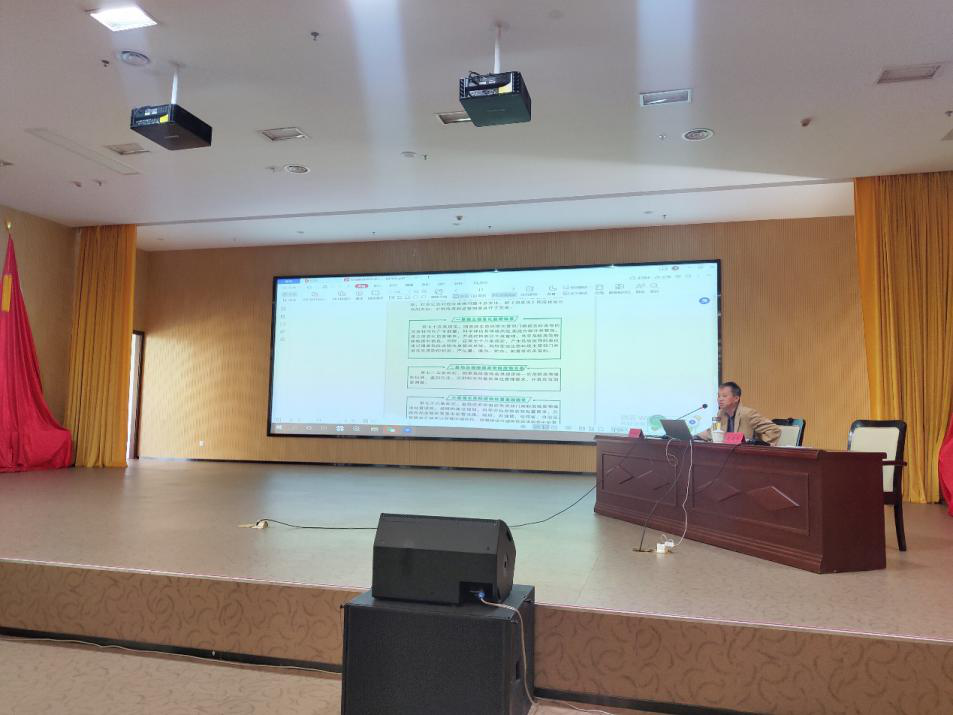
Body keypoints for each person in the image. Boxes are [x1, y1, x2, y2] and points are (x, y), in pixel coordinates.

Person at [699, 382, 781, 446]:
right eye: (719, 396)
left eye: (724, 396)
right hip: (726, 454)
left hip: (746, 456)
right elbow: (713, 432)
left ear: (736, 398)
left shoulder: (748, 413)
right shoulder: (720, 413)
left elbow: (774, 430)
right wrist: (695, 436)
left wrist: (759, 445)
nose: (720, 399)